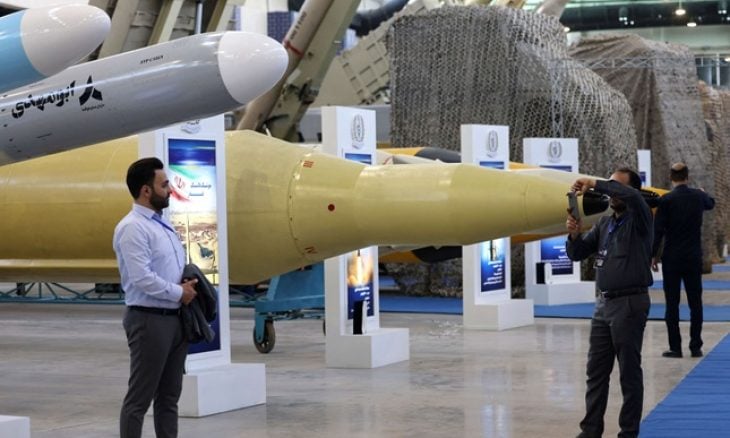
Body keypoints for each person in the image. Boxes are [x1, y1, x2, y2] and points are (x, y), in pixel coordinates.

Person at [113, 157, 198, 438]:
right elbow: (142, 278)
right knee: (139, 399)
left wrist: (186, 283)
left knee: (169, 397)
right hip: (149, 321)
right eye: (164, 185)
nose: (170, 190)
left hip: (174, 319)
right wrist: (180, 292)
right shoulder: (132, 228)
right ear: (146, 190)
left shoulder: (161, 224)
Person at [565, 167, 653, 438]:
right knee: (596, 372)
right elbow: (577, 254)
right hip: (603, 306)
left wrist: (595, 183)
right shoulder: (605, 224)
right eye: (610, 186)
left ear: (631, 191)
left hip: (629, 303)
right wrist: (573, 235)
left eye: (617, 187)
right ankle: (590, 430)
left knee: (629, 373)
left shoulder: (640, 217)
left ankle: (628, 432)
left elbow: (630, 196)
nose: (612, 192)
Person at [651, 162, 715, 359]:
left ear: (671, 178)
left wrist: (653, 255)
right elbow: (711, 203)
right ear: (687, 176)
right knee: (696, 303)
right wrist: (702, 192)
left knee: (672, 304)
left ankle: (675, 347)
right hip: (693, 257)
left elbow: (658, 231)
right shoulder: (698, 196)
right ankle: (696, 346)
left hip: (672, 258)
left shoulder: (666, 200)